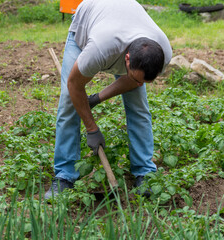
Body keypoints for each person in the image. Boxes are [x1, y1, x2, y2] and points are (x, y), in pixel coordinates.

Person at [44, 0, 172, 200]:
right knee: (69, 104)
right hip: (87, 23)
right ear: (127, 59)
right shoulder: (100, 49)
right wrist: (92, 129)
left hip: (122, 19)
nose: (140, 85)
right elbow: (74, 85)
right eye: (137, 78)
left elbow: (134, 83)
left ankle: (145, 172)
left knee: (139, 107)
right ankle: (64, 175)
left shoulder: (162, 53)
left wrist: (96, 98)